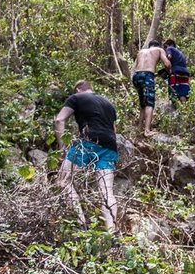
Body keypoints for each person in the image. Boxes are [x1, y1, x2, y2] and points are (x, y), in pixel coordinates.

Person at [54, 80, 118, 232]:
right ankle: (112, 232)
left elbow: (59, 120)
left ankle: (81, 224)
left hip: (89, 141)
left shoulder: (76, 98)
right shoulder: (108, 104)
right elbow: (114, 131)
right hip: (110, 147)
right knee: (107, 191)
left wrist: (63, 150)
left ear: (78, 89)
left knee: (64, 180)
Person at [131, 40, 171, 134]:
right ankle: (147, 130)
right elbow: (167, 64)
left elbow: (137, 66)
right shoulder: (159, 49)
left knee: (142, 103)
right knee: (149, 102)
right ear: (157, 45)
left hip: (136, 76)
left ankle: (139, 128)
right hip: (147, 76)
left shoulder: (141, 52)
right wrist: (167, 71)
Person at [163, 39, 190, 103]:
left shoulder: (169, 48)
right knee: (182, 93)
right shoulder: (179, 52)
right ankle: (184, 109)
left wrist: (167, 70)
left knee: (173, 91)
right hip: (185, 73)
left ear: (166, 45)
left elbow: (169, 56)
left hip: (175, 72)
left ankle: (173, 109)